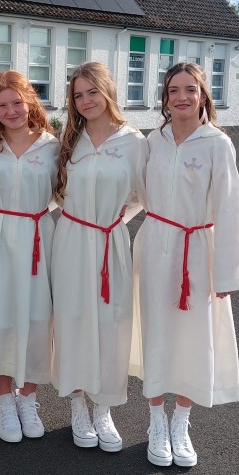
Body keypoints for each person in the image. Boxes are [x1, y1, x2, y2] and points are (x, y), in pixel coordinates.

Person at [131, 61, 239, 468]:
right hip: (154, 247)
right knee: (155, 332)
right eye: (173, 90)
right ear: (164, 99)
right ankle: (155, 419)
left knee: (192, 337)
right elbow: (135, 192)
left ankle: (181, 422)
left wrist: (228, 271)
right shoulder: (154, 140)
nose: (181, 97)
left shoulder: (217, 144)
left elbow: (230, 208)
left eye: (190, 89)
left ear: (203, 95)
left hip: (197, 250)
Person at [51, 63, 146, 452]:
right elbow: (56, 191)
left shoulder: (134, 142)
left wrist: (114, 219)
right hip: (71, 241)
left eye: (92, 91)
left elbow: (143, 194)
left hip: (110, 242)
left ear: (108, 91)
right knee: (72, 320)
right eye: (78, 95)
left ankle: (103, 408)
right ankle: (77, 404)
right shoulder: (68, 141)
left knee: (111, 323)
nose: (86, 100)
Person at [0, 71, 59, 442]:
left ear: (30, 101)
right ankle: (5, 401)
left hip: (38, 238)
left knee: (38, 319)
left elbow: (68, 193)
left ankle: (28, 399)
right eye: (2, 105)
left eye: (17, 102)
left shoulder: (53, 146)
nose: (11, 111)